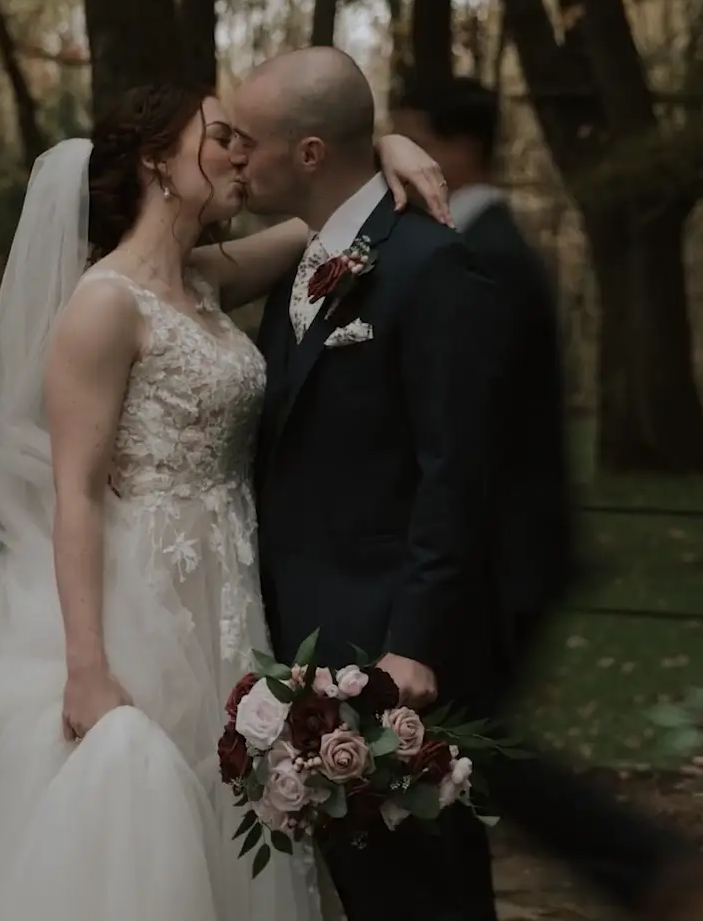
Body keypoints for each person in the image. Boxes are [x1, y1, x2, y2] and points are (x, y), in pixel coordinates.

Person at [0, 81, 446, 921]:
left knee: (234, 812)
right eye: (220, 138)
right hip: (143, 605)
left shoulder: (202, 280)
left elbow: (320, 218)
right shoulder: (103, 304)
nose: (240, 155)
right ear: (157, 163)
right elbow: (74, 495)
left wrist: (381, 146)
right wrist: (87, 668)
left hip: (230, 604)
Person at [392, 76, 703, 918]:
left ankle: (643, 863)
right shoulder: (475, 244)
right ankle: (633, 866)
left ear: (459, 147)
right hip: (502, 549)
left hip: (506, 555)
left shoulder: (487, 255)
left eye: (413, 133)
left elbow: (474, 424)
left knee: (471, 735)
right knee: (463, 736)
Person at [234, 47, 507, 921]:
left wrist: (415, 641)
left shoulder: (431, 265)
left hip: (393, 654)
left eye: (248, 141)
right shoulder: (305, 260)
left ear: (310, 153)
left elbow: (458, 470)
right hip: (300, 652)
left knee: (426, 895)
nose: (236, 157)